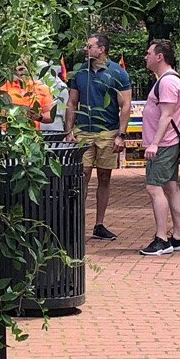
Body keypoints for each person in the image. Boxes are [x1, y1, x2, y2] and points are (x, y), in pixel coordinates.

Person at [67, 33, 134, 240]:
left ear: (101, 49)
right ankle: (76, 222)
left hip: (108, 130)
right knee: (82, 175)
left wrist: (121, 135)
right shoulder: (80, 73)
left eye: (90, 46)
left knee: (105, 177)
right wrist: (68, 131)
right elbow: (71, 103)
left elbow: (125, 105)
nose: (86, 50)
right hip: (84, 131)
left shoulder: (118, 73)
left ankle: (99, 224)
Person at [139, 39, 180, 256]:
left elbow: (166, 116)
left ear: (159, 57)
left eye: (149, 53)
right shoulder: (172, 80)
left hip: (164, 144)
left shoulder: (167, 82)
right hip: (169, 144)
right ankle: (179, 236)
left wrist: (154, 144)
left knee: (154, 188)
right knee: (170, 187)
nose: (146, 56)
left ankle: (162, 239)